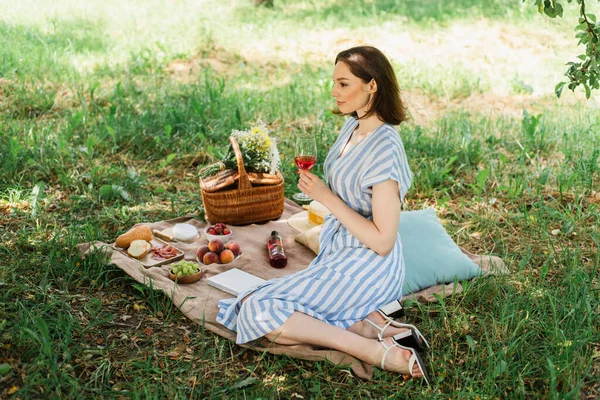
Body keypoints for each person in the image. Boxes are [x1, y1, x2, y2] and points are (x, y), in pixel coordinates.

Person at [217, 46, 430, 383]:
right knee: (251, 301)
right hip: (339, 253)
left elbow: (383, 241)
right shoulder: (353, 126)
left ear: (372, 86)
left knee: (259, 310)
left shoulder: (385, 149)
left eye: (344, 84)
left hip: (367, 264)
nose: (334, 92)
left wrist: (326, 197)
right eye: (334, 82)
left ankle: (371, 350)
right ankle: (371, 325)